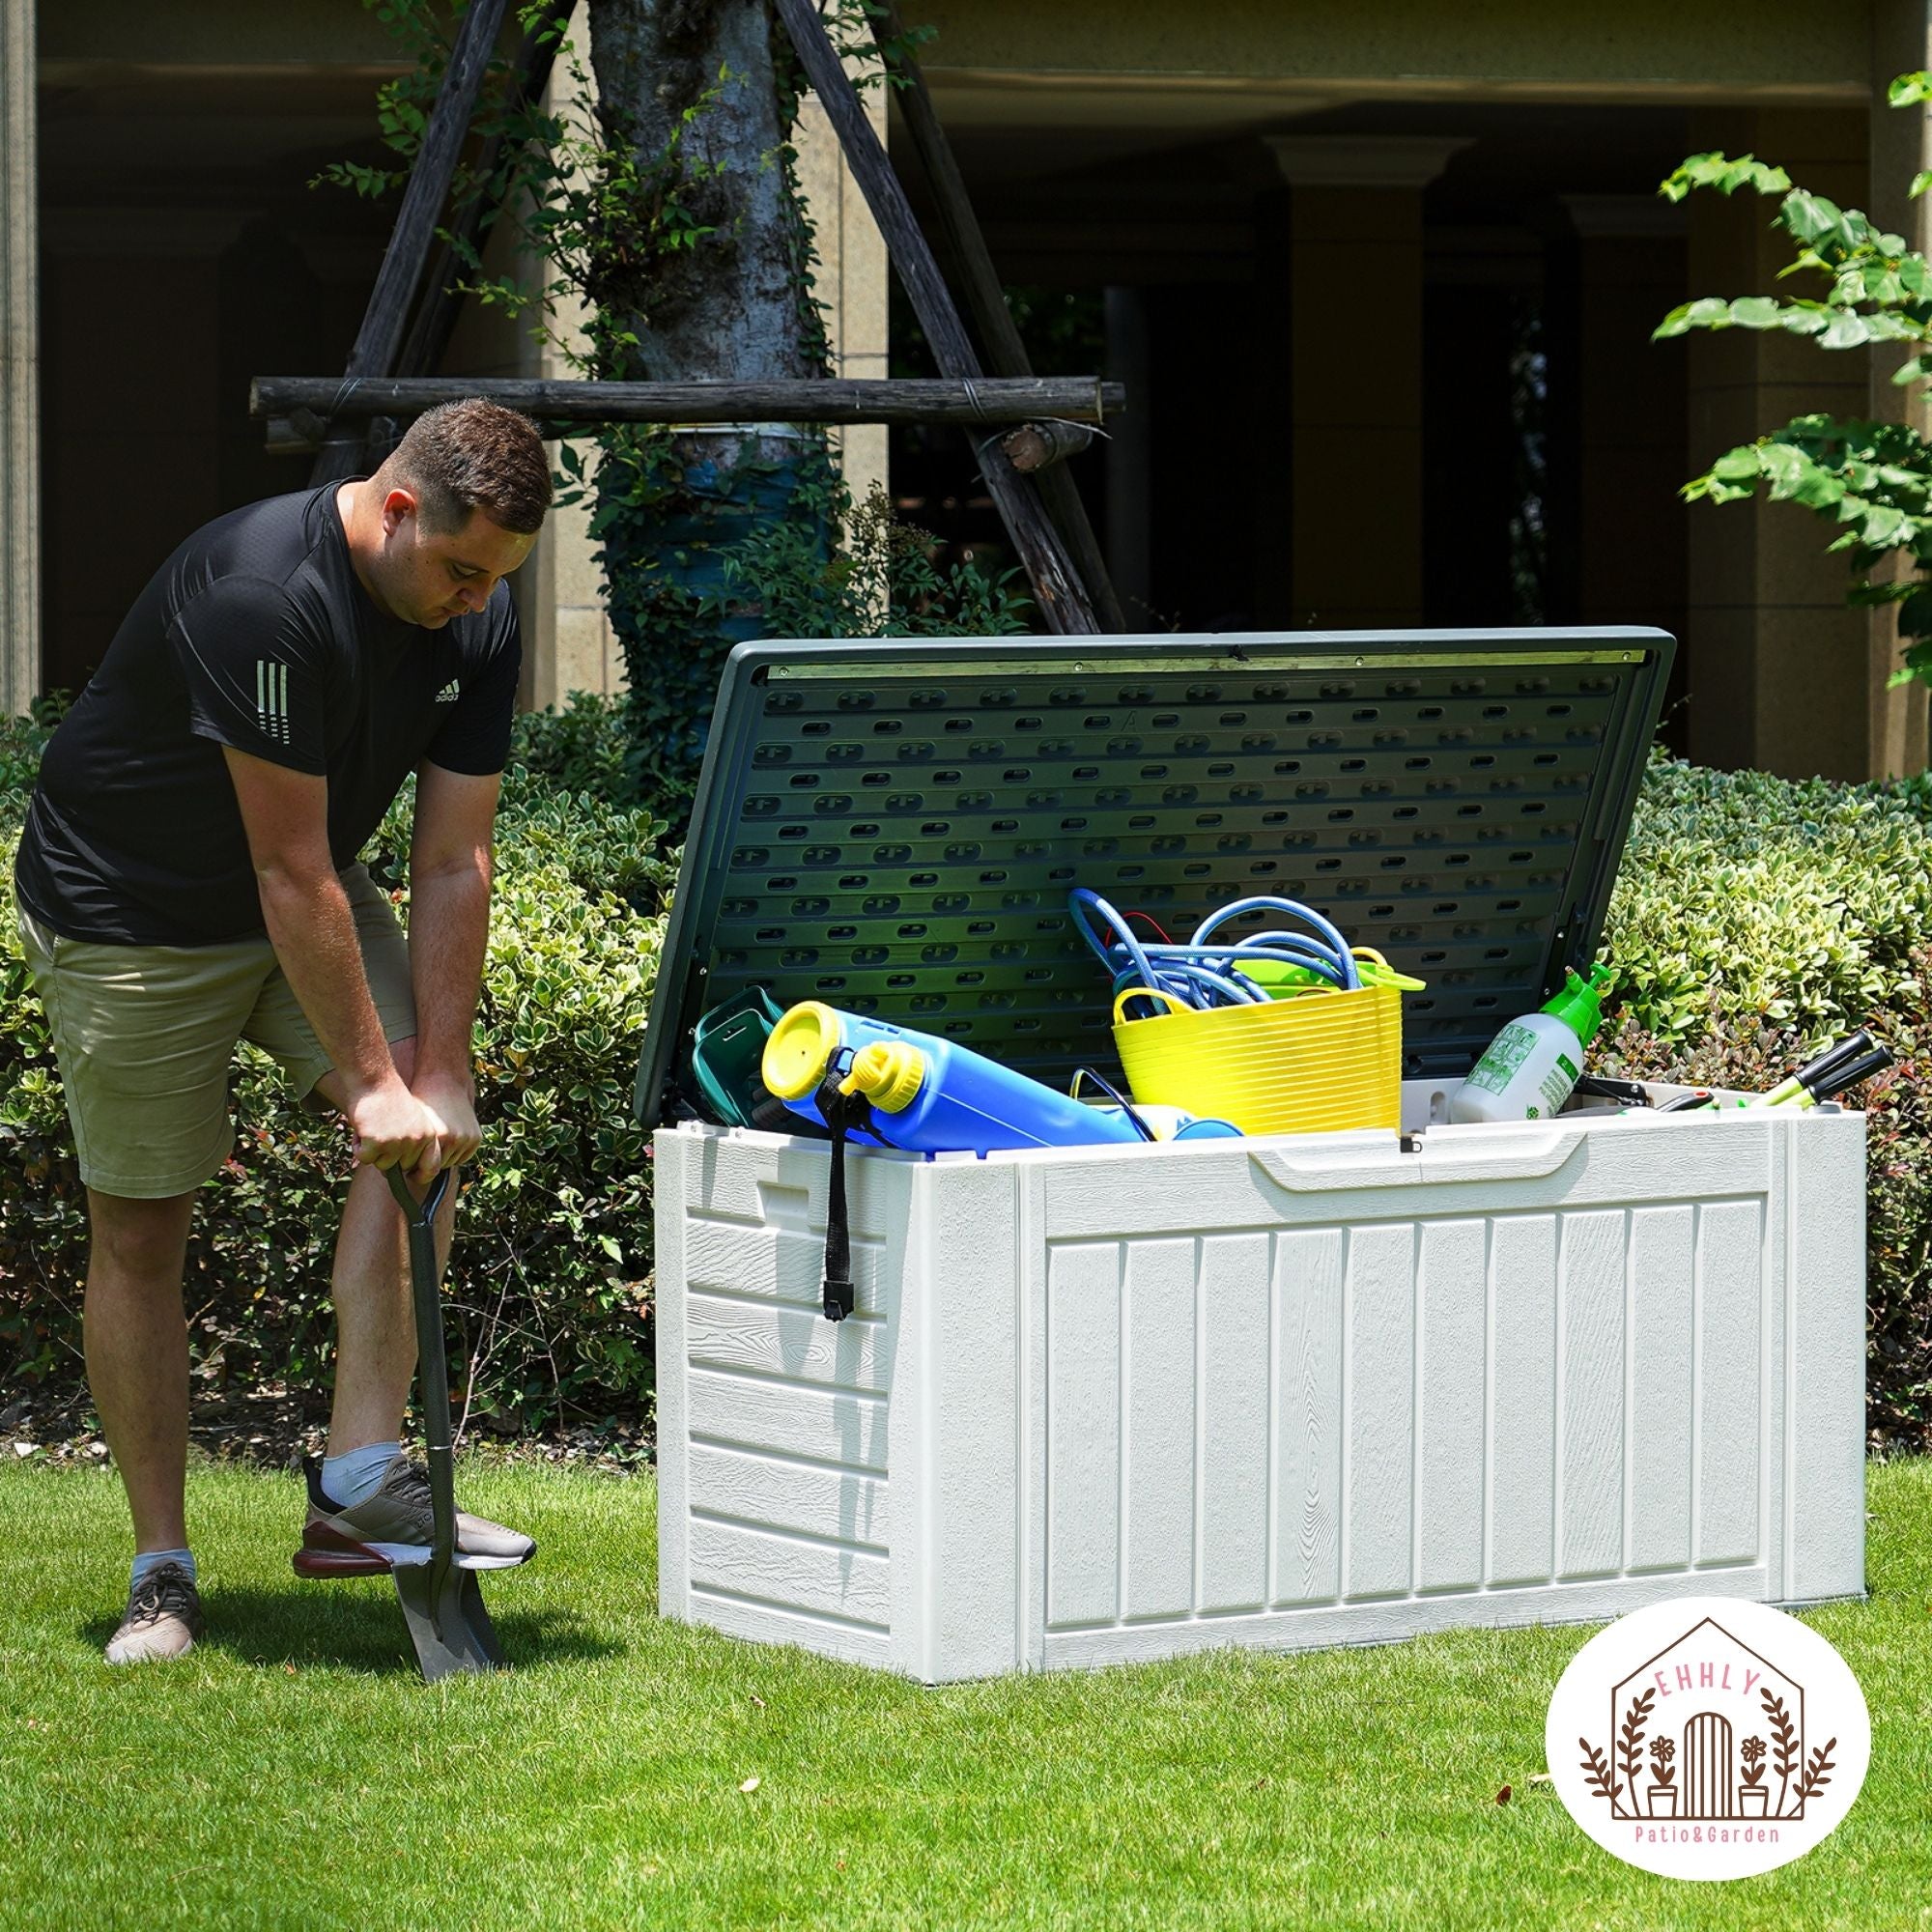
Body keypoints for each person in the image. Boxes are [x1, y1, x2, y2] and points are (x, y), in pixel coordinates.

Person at [11, 399, 553, 1664]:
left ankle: (361, 1476)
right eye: (463, 570)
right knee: (143, 1231)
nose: (479, 601)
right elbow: (291, 867)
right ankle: (162, 1573)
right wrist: (371, 1079)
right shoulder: (264, 591)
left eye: (501, 580)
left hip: (290, 897)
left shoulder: (481, 606)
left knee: (429, 1136)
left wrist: (438, 1073)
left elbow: (456, 858)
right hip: (130, 911)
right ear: (396, 508)